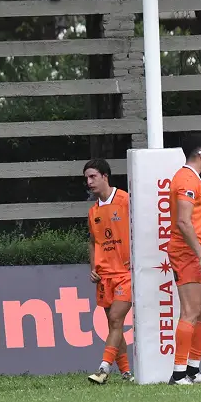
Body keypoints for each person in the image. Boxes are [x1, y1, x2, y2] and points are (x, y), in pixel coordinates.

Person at [166, 134, 201, 385]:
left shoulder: (193, 179)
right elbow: (182, 222)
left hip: (199, 251)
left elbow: (197, 223)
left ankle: (193, 370)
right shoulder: (186, 179)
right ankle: (179, 374)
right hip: (187, 254)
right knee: (190, 311)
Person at [83, 159, 133, 385]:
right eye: (86, 178)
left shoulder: (126, 200)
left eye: (93, 176)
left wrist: (138, 257)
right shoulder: (93, 211)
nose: (89, 182)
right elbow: (93, 242)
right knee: (115, 326)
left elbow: (141, 229)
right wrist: (93, 267)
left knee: (115, 319)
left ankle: (103, 369)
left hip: (125, 273)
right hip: (104, 276)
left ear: (105, 176)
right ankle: (126, 373)